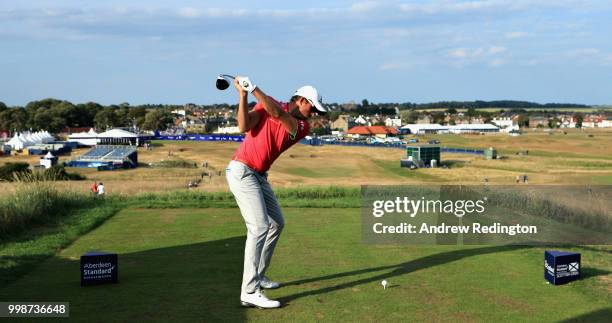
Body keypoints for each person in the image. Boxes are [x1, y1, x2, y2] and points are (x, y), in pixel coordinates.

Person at [225, 76, 326, 309]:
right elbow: (243, 126)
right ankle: (249, 291)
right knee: (259, 227)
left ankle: (258, 275)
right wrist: (243, 96)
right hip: (242, 171)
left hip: (259, 176)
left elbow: (279, 116)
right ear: (301, 100)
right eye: (312, 107)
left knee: (276, 223)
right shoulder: (268, 105)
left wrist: (254, 88)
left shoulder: (301, 126)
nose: (314, 114)